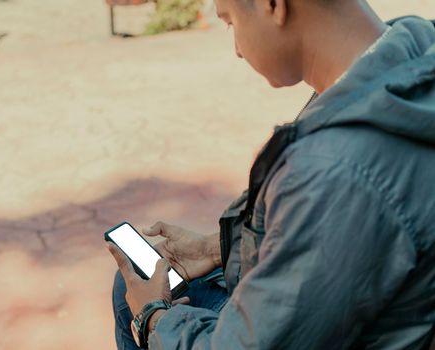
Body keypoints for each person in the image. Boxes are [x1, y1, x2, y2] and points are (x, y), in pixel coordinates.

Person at [108, 0, 435, 348]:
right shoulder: (413, 53)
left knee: (139, 298)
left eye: (230, 22)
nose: (236, 49)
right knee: (136, 281)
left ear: (273, 5)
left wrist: (153, 318)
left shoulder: (336, 167)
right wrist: (219, 249)